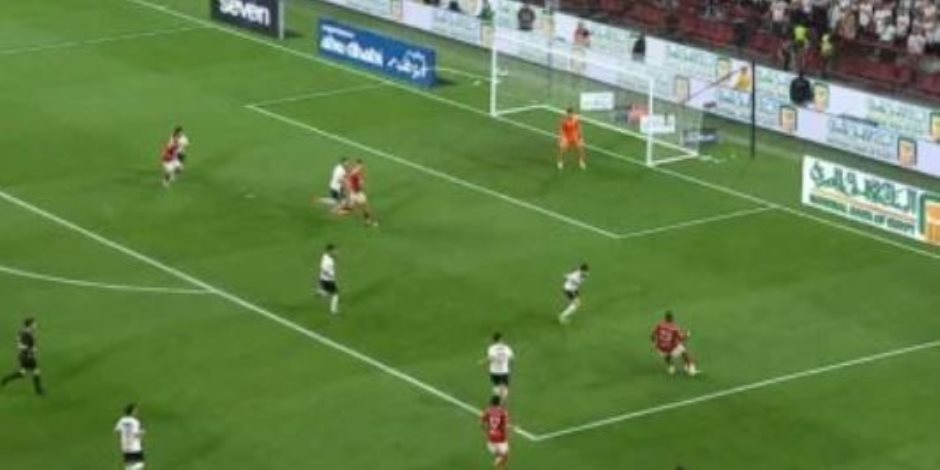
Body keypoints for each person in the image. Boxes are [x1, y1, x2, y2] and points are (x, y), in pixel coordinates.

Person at [0, 318, 44, 395]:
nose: (35, 325)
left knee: (22, 373)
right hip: (28, 356)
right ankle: (39, 391)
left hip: (23, 356)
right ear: (30, 325)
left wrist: (31, 347)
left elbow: (19, 342)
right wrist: (31, 349)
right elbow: (23, 346)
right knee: (36, 372)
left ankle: (5, 379)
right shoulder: (27, 334)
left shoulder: (24, 332)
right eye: (34, 323)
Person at [651, 311, 699, 376]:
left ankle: (671, 367)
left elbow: (653, 334)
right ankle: (691, 370)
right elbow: (682, 338)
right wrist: (688, 334)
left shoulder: (659, 325)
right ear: (672, 318)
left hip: (661, 347)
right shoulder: (674, 327)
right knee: (684, 353)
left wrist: (653, 343)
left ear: (665, 318)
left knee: (666, 354)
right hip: (671, 348)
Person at [337, 159, 377, 226]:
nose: (361, 167)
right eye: (360, 165)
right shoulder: (355, 172)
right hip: (356, 193)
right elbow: (356, 180)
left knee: (362, 206)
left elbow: (356, 181)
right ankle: (369, 220)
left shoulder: (357, 172)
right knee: (361, 207)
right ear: (358, 165)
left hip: (356, 193)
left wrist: (359, 182)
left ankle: (368, 220)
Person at [481, 395, 510, 470]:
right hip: (501, 438)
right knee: (505, 456)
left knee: (498, 454)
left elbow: (481, 424)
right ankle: (499, 466)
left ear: (491, 402)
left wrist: (488, 431)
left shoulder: (488, 411)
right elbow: (504, 426)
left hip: (491, 438)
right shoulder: (503, 412)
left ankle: (498, 462)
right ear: (499, 403)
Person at [115, 404, 146, 470]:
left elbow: (118, 432)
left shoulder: (121, 420)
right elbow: (136, 434)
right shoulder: (135, 421)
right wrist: (142, 432)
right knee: (140, 464)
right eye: (135, 410)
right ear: (132, 412)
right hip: (135, 447)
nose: (137, 412)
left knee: (129, 464)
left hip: (125, 447)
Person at [483, 333, 514, 399]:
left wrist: (483, 363)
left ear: (493, 340)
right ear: (501, 339)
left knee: (496, 386)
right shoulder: (507, 348)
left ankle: (496, 401)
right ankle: (503, 402)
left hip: (494, 371)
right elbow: (511, 358)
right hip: (504, 371)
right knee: (505, 388)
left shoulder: (491, 348)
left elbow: (491, 358)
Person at [317, 244, 340, 315]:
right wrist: (331, 276)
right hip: (328, 280)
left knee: (329, 292)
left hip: (323, 279)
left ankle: (322, 292)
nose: (335, 252)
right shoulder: (327, 261)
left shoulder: (325, 256)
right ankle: (333, 310)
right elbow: (324, 270)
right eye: (334, 250)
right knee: (336, 294)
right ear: (329, 251)